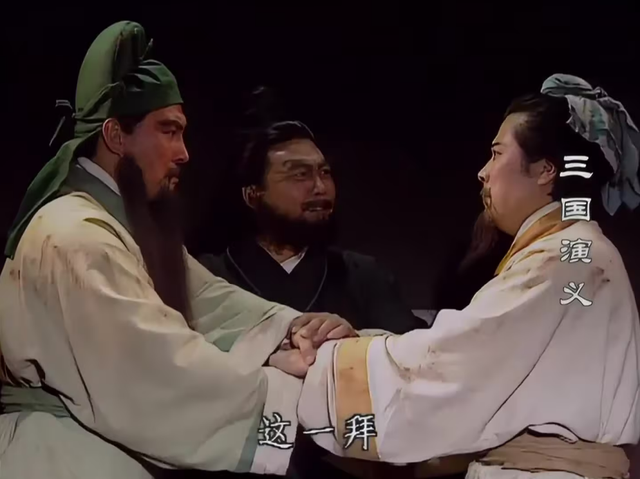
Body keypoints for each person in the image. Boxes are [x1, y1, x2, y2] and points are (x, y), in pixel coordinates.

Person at [0, 22, 354, 479]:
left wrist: (295, 332)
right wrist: (294, 395)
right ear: (116, 136)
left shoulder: (122, 231)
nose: (183, 153)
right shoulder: (74, 235)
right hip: (60, 457)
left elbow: (209, 303)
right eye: (168, 131)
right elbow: (151, 371)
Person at [297, 74, 640, 479]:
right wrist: (359, 342)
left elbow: (454, 361)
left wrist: (330, 359)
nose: (483, 172)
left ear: (546, 170)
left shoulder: (566, 256)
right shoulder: (571, 250)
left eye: (496, 154)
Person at [198, 119, 426, 335]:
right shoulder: (209, 276)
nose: (320, 187)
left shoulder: (362, 275)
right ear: (252, 195)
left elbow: (413, 348)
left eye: (325, 172)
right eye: (300, 174)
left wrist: (355, 339)